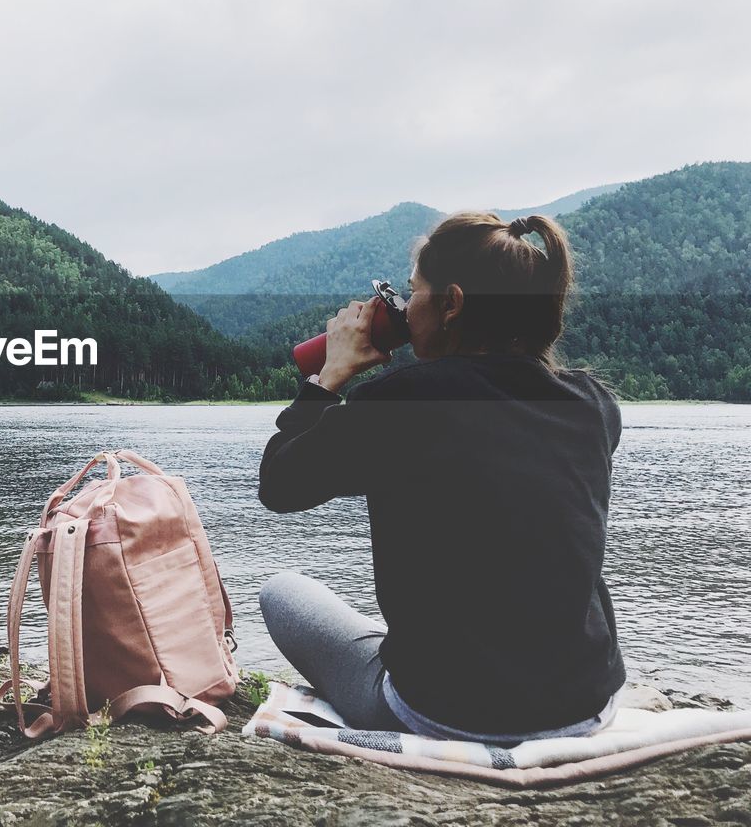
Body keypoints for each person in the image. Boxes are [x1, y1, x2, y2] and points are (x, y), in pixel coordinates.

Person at [257, 211, 626, 745]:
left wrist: (329, 376)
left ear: (451, 304)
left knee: (281, 592)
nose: (404, 310)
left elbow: (279, 485)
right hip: (587, 707)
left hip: (442, 713)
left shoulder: (403, 400)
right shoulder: (594, 403)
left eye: (410, 294)